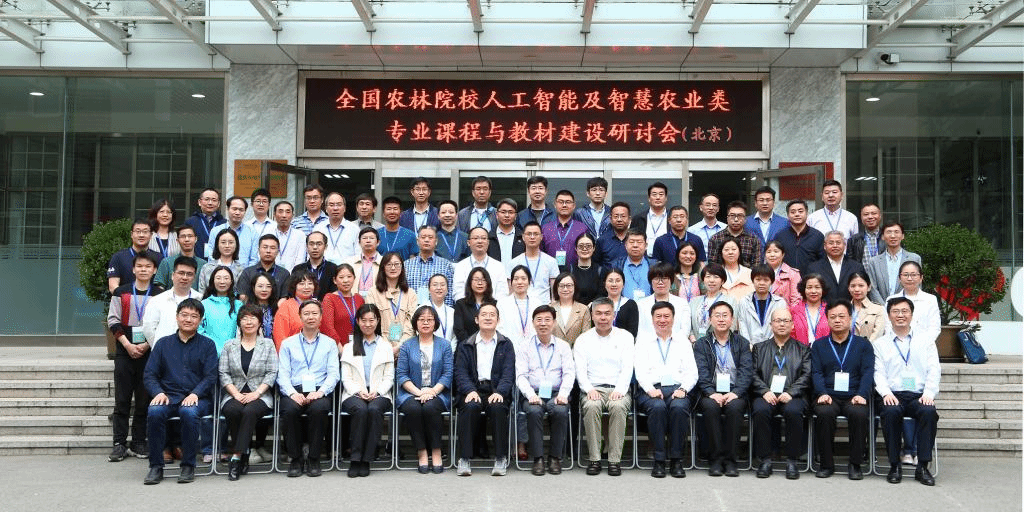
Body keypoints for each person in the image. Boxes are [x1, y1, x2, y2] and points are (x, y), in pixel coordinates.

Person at [143, 299, 218, 485]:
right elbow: (150, 374)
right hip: (168, 396)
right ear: (177, 317)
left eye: (194, 316)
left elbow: (211, 376)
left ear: (200, 320)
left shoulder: (208, 345)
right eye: (184, 315)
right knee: (154, 411)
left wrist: (195, 394)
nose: (188, 319)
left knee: (189, 413)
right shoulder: (163, 344)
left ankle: (188, 465)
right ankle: (156, 466)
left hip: (197, 398)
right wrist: (158, 392)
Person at [875, 297, 939, 486]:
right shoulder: (880, 344)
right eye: (895, 311)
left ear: (911, 315)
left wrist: (929, 393)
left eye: (904, 311)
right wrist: (886, 393)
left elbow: (934, 369)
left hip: (918, 395)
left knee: (928, 412)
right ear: (889, 316)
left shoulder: (926, 341)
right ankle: (895, 465)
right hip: (893, 394)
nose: (900, 315)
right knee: (891, 412)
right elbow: (878, 373)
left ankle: (923, 466)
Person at [107, 253, 164, 462]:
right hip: (125, 351)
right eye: (139, 266)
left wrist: (146, 344)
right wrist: (128, 345)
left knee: (143, 400)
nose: (143, 269)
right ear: (133, 269)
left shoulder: (160, 295)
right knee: (122, 400)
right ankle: (119, 443)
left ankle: (139, 441)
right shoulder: (121, 292)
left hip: (149, 353)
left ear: (154, 270)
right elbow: (113, 321)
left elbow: (162, 324)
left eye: (148, 266)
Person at [634, 301, 698, 478]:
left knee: (679, 407)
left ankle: (676, 460)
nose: (662, 320)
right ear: (652, 319)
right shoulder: (643, 341)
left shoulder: (683, 341)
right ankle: (659, 460)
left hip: (678, 389)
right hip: (651, 389)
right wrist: (650, 390)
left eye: (666, 316)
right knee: (657, 407)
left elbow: (692, 372)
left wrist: (684, 389)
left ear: (673, 319)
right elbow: (640, 371)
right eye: (658, 316)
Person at [810, 300, 874, 480]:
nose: (837, 320)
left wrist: (861, 394)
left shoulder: (863, 345)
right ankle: (826, 464)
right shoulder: (819, 345)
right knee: (824, 413)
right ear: (827, 319)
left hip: (854, 395)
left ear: (850, 318)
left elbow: (868, 372)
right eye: (833, 317)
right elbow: (816, 372)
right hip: (828, 395)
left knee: (859, 414)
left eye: (841, 316)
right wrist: (822, 393)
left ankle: (855, 464)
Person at [277, 299, 340, 477]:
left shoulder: (329, 343)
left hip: (319, 389)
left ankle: (313, 458)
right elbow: (282, 374)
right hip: (294, 389)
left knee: (319, 409)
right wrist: (292, 393)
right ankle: (295, 459)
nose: (310, 317)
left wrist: (320, 392)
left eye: (314, 313)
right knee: (289, 410)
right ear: (300, 317)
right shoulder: (288, 344)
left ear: (321, 317)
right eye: (306, 314)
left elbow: (334, 374)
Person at [574, 297, 634, 476]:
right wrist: (589, 389)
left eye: (607, 313)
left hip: (618, 388)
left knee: (618, 406)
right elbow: (580, 371)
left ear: (613, 315)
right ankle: (595, 459)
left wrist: (620, 390)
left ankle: (614, 460)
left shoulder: (625, 337)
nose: (603, 317)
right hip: (593, 388)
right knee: (592, 406)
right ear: (592, 316)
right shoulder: (583, 339)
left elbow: (627, 368)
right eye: (598, 313)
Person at [454, 302, 516, 477]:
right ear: (476, 319)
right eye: (484, 315)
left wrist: (500, 392)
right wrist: (469, 390)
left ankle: (500, 457)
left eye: (492, 315)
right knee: (470, 407)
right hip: (473, 389)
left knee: (498, 408)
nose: (488, 318)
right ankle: (465, 458)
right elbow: (460, 372)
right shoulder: (466, 344)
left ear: (498, 320)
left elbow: (508, 373)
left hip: (496, 390)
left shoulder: (506, 344)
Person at [693, 301, 753, 477]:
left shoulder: (742, 343)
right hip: (710, 391)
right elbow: (701, 372)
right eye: (717, 315)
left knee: (735, 409)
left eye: (725, 315)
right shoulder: (702, 344)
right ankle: (716, 460)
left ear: (732, 319)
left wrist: (736, 393)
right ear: (710, 319)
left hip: (735, 390)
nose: (721, 319)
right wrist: (711, 393)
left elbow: (746, 372)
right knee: (710, 408)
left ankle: (731, 460)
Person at [750, 307, 811, 479]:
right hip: (766, 394)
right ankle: (765, 460)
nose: (782, 324)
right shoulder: (759, 348)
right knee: (760, 410)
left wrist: (791, 392)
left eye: (786, 321)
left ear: (792, 325)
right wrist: (764, 391)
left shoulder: (803, 349)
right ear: (771, 325)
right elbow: (752, 373)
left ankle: (792, 461)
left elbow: (807, 374)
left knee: (793, 411)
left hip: (792, 395)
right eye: (778, 321)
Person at [218, 304, 277, 481]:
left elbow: (272, 372)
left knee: (250, 411)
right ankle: (245, 452)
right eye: (244, 318)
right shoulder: (229, 345)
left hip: (260, 394)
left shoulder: (268, 344)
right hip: (234, 392)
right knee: (232, 410)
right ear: (239, 322)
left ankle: (237, 456)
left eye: (253, 318)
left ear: (260, 323)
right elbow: (223, 372)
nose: (249, 322)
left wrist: (257, 393)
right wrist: (235, 394)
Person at [516, 305, 575, 475]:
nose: (543, 323)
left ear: (554, 323)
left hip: (557, 393)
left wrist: (563, 394)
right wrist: (530, 395)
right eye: (539, 320)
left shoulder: (563, 346)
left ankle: (555, 457)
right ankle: (538, 458)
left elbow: (569, 373)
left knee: (560, 411)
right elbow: (520, 376)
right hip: (532, 393)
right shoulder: (524, 346)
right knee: (534, 411)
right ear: (533, 323)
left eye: (547, 320)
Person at [396, 305, 454, 473]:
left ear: (435, 323)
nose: (426, 323)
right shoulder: (407, 345)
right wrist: (419, 392)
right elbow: (402, 375)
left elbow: (448, 373)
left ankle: (436, 451)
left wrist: (432, 392)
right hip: (411, 392)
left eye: (429, 319)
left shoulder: (445, 345)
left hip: (438, 392)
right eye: (422, 320)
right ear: (416, 323)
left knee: (430, 408)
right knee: (413, 409)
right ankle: (421, 452)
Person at [340, 303, 395, 478]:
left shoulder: (385, 346)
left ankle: (367, 459)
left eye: (372, 320)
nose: (368, 324)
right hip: (354, 393)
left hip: (380, 393)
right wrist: (358, 392)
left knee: (374, 409)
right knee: (361, 409)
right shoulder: (349, 347)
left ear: (378, 321)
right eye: (364, 320)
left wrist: (377, 392)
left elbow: (389, 377)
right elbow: (346, 378)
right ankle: (355, 458)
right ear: (358, 321)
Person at [367, 252, 418, 356]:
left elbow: (411, 325)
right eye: (389, 264)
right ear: (383, 268)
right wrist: (386, 347)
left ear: (402, 267)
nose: (393, 268)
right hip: (380, 348)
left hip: (406, 349)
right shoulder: (373, 293)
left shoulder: (411, 294)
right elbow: (371, 322)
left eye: (396, 264)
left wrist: (399, 346)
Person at [143, 256, 203, 346]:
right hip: (164, 351)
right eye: (181, 273)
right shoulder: (157, 300)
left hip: (193, 350)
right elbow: (148, 329)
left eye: (189, 274)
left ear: (194, 278)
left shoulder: (201, 299)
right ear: (173, 275)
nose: (185, 277)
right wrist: (161, 348)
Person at [884, 261, 941, 344]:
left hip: (924, 345)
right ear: (899, 278)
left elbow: (934, 328)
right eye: (905, 275)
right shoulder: (891, 299)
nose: (909, 279)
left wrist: (921, 344)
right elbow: (887, 326)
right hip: (896, 345)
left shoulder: (930, 299)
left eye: (914, 275)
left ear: (921, 278)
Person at [865, 220, 922, 303]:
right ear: (883, 237)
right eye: (889, 232)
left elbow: (917, 285)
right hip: (881, 307)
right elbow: (873, 288)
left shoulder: (914, 258)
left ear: (902, 236)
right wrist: (884, 307)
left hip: (907, 307)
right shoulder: (874, 262)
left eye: (896, 232)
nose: (893, 236)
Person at [807, 231, 867, 304]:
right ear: (825, 246)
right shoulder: (814, 268)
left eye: (838, 243)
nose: (835, 246)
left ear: (844, 245)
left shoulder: (857, 267)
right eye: (831, 243)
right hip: (824, 309)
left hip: (850, 308)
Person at [453, 226, 510, 300]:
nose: (480, 241)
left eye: (483, 238)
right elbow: (458, 293)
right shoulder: (461, 266)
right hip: (467, 306)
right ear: (468, 242)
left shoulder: (498, 266)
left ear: (488, 242)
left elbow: (502, 293)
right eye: (476, 238)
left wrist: (490, 306)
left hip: (493, 306)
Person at [107, 219, 163, 293]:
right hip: (125, 298)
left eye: (145, 232)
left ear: (151, 235)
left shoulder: (159, 258)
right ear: (131, 234)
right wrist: (126, 298)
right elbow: (113, 286)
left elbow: (161, 286)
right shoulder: (118, 257)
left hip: (151, 299)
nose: (141, 235)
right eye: (138, 231)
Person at [404, 225, 455, 306]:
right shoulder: (407, 265)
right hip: (412, 309)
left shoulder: (446, 265)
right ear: (417, 241)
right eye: (423, 237)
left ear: (436, 241)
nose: (426, 240)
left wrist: (444, 311)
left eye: (430, 237)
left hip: (437, 310)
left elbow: (449, 293)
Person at [737, 264, 787, 345]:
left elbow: (780, 326)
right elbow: (743, 328)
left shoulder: (780, 303)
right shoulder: (744, 302)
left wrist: (771, 347)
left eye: (766, 280)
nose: (761, 283)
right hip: (750, 347)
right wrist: (748, 346)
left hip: (773, 347)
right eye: (758, 279)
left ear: (772, 282)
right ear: (752, 281)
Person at [636, 263, 691, 336]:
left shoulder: (682, 303)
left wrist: (669, 341)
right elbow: (640, 331)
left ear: (671, 281)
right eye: (656, 279)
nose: (660, 283)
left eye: (664, 278)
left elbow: (685, 330)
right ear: (651, 282)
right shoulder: (641, 304)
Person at [199, 266, 244, 354]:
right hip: (209, 352)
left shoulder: (238, 305)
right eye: (218, 278)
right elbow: (199, 329)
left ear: (231, 281)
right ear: (213, 281)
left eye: (226, 278)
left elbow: (241, 331)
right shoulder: (204, 304)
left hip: (233, 353)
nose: (222, 281)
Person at [511, 222, 560, 302]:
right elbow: (510, 291)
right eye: (529, 234)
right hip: (521, 305)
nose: (532, 237)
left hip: (544, 306)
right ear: (523, 237)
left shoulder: (551, 261)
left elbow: (555, 292)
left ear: (541, 237)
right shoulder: (514, 262)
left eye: (536, 234)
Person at [773, 199, 825, 273]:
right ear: (788, 215)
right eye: (793, 212)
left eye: (800, 211)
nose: (797, 214)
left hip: (811, 278)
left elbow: (823, 261)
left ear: (807, 213)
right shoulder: (780, 236)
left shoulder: (817, 236)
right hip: (786, 278)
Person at [688, 263, 736, 343]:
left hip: (719, 344)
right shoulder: (694, 301)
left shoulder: (730, 301)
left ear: (722, 281)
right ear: (703, 279)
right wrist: (693, 340)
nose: (711, 280)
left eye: (716, 277)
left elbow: (732, 326)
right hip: (696, 344)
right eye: (708, 276)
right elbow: (689, 325)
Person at [541, 190, 588, 270]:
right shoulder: (545, 228)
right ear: (555, 205)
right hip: (550, 273)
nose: (564, 205)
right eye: (561, 202)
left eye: (568, 202)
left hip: (575, 273)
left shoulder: (582, 228)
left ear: (574, 205)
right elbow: (540, 253)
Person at [707, 201, 763, 268]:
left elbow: (756, 266)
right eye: (732, 216)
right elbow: (712, 266)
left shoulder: (753, 240)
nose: (736, 219)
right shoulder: (715, 239)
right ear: (727, 218)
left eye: (740, 216)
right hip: (722, 274)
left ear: (745, 219)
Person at [272, 271, 319, 350]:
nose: (306, 287)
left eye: (310, 283)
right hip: (293, 352)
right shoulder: (286, 306)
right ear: (294, 286)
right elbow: (280, 336)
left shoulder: (318, 305)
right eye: (302, 284)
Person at [322, 264, 365, 348]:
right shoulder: (330, 298)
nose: (345, 280)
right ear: (335, 280)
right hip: (336, 347)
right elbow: (327, 327)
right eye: (341, 277)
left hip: (359, 346)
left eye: (349, 277)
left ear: (354, 278)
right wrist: (340, 347)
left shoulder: (359, 299)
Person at [205, 196, 257, 267]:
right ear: (227, 209)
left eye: (241, 210)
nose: (237, 212)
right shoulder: (215, 231)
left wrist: (246, 273)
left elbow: (254, 259)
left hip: (244, 273)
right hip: (219, 272)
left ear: (245, 211)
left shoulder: (252, 233)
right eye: (234, 209)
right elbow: (210, 254)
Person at [235, 234, 290, 299]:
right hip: (251, 305)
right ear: (258, 250)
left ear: (277, 252)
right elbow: (243, 296)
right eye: (265, 247)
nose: (268, 251)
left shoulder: (284, 274)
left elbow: (284, 298)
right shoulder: (248, 272)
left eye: (272, 248)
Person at [497, 265, 540, 347]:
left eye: (523, 279)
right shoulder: (502, 303)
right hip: (509, 347)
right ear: (511, 282)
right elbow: (500, 328)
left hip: (533, 346)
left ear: (529, 281)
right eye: (516, 279)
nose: (520, 282)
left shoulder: (537, 303)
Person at [154, 225, 205, 291]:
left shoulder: (203, 264)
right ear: (177, 240)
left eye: (190, 236)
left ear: (196, 239)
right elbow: (159, 287)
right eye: (183, 236)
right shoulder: (167, 262)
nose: (187, 239)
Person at [454, 267, 498, 343]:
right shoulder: (461, 304)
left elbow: (498, 328)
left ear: (488, 283)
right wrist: (473, 344)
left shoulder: (495, 304)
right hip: (466, 346)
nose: (480, 283)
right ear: (470, 282)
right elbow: (459, 330)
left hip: (490, 345)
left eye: (483, 280)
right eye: (476, 280)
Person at [610, 229, 657, 299]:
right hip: (623, 305)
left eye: (639, 242)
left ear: (646, 246)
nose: (635, 245)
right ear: (625, 245)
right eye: (631, 242)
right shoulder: (616, 265)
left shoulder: (655, 265)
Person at [550, 272, 593, 347]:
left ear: (575, 287)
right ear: (556, 288)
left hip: (576, 351)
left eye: (569, 286)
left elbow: (586, 336)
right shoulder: (549, 309)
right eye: (561, 286)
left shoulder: (583, 309)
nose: (565, 289)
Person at [313, 191, 357, 265]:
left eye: (339, 205)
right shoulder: (318, 228)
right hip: (323, 269)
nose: (335, 208)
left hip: (347, 270)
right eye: (331, 205)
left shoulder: (354, 229)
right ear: (326, 209)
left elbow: (358, 256)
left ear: (344, 208)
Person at [292, 231, 338, 299]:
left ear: (325, 247)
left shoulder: (334, 269)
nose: (315, 247)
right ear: (306, 246)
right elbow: (292, 293)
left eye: (319, 244)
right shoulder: (298, 269)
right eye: (311, 244)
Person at [197, 229, 244, 295]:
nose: (227, 246)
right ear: (217, 245)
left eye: (231, 242)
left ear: (236, 245)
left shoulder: (241, 270)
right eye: (223, 242)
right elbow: (202, 292)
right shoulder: (206, 268)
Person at [630, 182, 670, 256]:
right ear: (649, 198)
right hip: (644, 258)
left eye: (661, 194)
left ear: (666, 198)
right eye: (654, 194)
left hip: (667, 259)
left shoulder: (672, 217)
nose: (658, 197)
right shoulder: (638, 218)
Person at [184, 188, 225, 260]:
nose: (210, 203)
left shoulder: (224, 223)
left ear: (218, 203)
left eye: (214, 200)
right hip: (196, 262)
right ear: (199, 202)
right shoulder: (190, 222)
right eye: (207, 199)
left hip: (218, 262)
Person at [789, 274, 830, 345]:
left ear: (822, 289)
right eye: (809, 287)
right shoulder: (794, 310)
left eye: (817, 287)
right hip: (800, 350)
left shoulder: (829, 310)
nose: (813, 291)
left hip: (824, 350)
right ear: (803, 289)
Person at [744, 186, 789, 251]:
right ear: (755, 203)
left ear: (774, 203)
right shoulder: (746, 222)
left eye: (768, 200)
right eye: (761, 200)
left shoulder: (784, 223)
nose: (765, 203)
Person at [489, 198, 525, 274]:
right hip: (494, 277)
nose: (507, 215)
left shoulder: (523, 237)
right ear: (497, 215)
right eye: (503, 212)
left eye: (510, 212)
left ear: (515, 216)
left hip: (517, 278)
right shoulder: (489, 237)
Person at [245, 273, 279, 350]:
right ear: (253, 288)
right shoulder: (246, 310)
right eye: (260, 286)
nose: (264, 290)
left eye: (268, 286)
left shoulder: (278, 309)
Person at [849, 271, 886, 341]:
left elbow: (878, 335)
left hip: (871, 347)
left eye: (861, 286)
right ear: (848, 288)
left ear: (869, 287)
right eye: (853, 286)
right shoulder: (844, 309)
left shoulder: (879, 309)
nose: (856, 289)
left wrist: (866, 347)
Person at [378, 196, 419, 261]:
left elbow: (413, 260)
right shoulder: (376, 234)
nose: (392, 212)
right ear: (383, 213)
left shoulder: (410, 235)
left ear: (401, 213)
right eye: (388, 209)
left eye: (395, 209)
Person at [346, 227, 383, 297]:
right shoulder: (349, 262)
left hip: (377, 299)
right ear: (359, 242)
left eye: (371, 238)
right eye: (364, 238)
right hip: (353, 299)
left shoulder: (384, 262)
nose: (368, 241)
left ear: (378, 242)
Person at [568, 232, 604, 304]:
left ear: (594, 248)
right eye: (581, 246)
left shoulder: (601, 270)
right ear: (576, 248)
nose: (584, 249)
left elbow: (602, 294)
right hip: (573, 308)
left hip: (594, 308)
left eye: (588, 246)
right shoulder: (569, 270)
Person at [604, 268, 639, 339]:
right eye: (610, 281)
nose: (614, 284)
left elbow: (632, 332)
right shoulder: (598, 304)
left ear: (623, 284)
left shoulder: (631, 305)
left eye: (618, 281)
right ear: (605, 284)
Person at [764, 240, 802, 306]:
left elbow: (796, 301)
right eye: (769, 252)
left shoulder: (793, 274)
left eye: (776, 251)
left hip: (785, 311)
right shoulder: (759, 272)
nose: (772, 255)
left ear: (783, 254)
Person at [425, 274, 456, 349]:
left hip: (449, 352)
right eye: (435, 285)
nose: (439, 288)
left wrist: (449, 351)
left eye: (442, 285)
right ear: (429, 289)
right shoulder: (422, 310)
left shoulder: (452, 312)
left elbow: (455, 337)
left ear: (447, 289)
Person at [273, 201, 306, 271]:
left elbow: (300, 260)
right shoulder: (268, 234)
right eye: (280, 212)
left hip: (293, 275)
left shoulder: (300, 235)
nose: (284, 215)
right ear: (274, 215)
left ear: (292, 216)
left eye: (288, 212)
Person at [596, 201, 631, 267]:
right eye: (616, 216)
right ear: (610, 219)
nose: (619, 219)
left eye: (623, 216)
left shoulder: (635, 240)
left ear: (629, 219)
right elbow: (596, 265)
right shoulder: (602, 240)